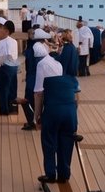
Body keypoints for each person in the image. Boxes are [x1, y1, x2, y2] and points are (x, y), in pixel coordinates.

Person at [33, 42, 77, 184]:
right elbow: (76, 98)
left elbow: (39, 93)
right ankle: (64, 174)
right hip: (70, 111)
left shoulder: (42, 65)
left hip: (53, 110)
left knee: (49, 140)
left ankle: (51, 173)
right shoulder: (72, 78)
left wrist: (37, 115)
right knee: (66, 141)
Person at [0, 20, 20, 115]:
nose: (0, 30)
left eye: (2, 28)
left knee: (3, 89)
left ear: (6, 30)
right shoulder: (14, 41)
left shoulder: (2, 42)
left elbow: (2, 56)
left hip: (5, 67)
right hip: (14, 66)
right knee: (12, 89)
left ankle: (4, 110)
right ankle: (12, 108)